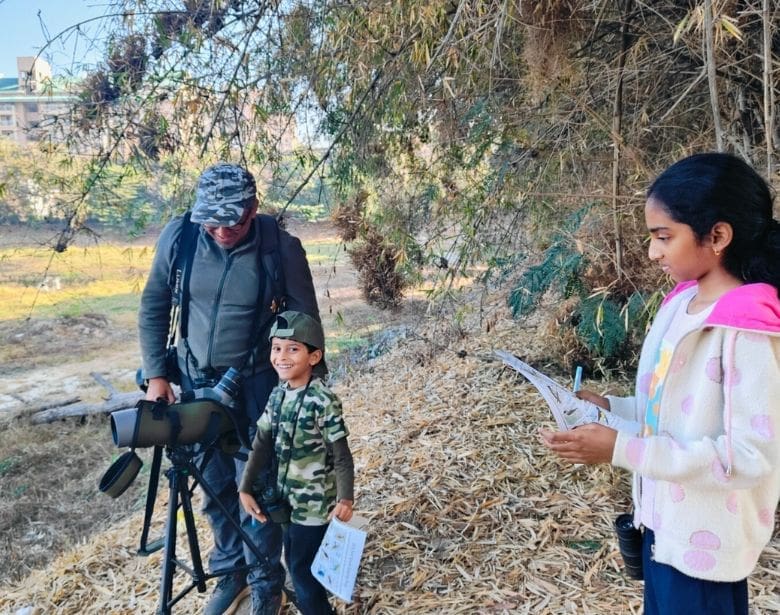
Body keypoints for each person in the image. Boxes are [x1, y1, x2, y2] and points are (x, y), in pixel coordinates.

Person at [541, 152, 780, 615]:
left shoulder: (747, 330)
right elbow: (669, 409)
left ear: (718, 236)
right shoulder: (681, 304)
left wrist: (620, 449)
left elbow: (749, 457)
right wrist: (610, 407)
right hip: (663, 529)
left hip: (705, 551)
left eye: (663, 237)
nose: (653, 252)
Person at [138, 163, 325, 615]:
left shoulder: (280, 247)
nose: (222, 230)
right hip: (196, 385)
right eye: (212, 220)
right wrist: (157, 376)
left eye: (234, 221)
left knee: (256, 487)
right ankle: (230, 573)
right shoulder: (180, 237)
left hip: (258, 385)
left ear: (254, 208)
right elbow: (154, 304)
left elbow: (305, 325)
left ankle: (266, 584)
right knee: (213, 484)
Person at [239, 310, 354, 615]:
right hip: (286, 500)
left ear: (314, 357)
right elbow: (261, 444)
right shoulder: (277, 396)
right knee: (298, 563)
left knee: (302, 571)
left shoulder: (322, 400)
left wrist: (346, 498)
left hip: (315, 505)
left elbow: (341, 453)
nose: (281, 357)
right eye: (276, 348)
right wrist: (245, 487)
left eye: (293, 349)